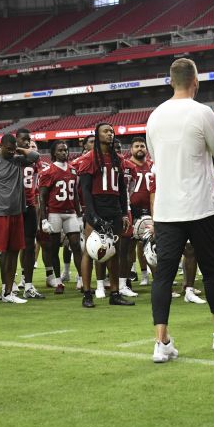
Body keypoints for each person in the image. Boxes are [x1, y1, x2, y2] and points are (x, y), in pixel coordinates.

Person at [145, 58, 214, 363]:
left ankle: (161, 342)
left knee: (163, 275)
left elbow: (154, 156)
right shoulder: (202, 112)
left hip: (166, 208)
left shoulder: (154, 116)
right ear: (196, 81)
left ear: (170, 80)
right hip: (200, 205)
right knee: (211, 269)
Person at [0, 132, 41, 307]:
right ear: (1, 146)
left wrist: (18, 149)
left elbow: (35, 156)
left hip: (16, 212)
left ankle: (8, 292)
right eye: (9, 149)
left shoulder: (17, 159)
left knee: (12, 252)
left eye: (13, 150)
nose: (12, 153)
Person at [75, 123, 134, 307]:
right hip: (96, 207)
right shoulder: (89, 158)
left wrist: (124, 213)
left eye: (111, 131)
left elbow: (123, 190)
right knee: (89, 251)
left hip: (114, 208)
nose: (110, 134)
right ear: (97, 134)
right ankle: (87, 294)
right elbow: (85, 190)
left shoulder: (119, 159)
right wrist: (92, 215)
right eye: (105, 131)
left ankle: (114, 293)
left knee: (113, 251)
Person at [37, 141, 81, 294]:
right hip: (54, 213)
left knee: (76, 245)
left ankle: (82, 279)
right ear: (54, 153)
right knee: (53, 247)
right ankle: (58, 281)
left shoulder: (73, 170)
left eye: (66, 150)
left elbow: (75, 195)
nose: (64, 153)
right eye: (61, 150)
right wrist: (43, 219)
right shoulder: (48, 171)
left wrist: (79, 215)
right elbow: (42, 197)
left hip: (70, 213)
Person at [14, 128, 47, 299]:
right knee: (10, 246)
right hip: (11, 206)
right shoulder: (9, 156)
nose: (27, 143)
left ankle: (28, 285)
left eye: (30, 141)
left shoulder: (34, 159)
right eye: (24, 139)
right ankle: (10, 285)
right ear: (16, 140)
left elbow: (36, 163)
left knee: (30, 245)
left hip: (29, 205)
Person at [122, 137, 155, 292]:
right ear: (131, 149)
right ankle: (127, 282)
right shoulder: (126, 166)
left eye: (142, 146)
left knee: (153, 246)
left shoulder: (152, 166)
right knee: (128, 246)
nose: (140, 148)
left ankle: (159, 282)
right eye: (137, 146)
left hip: (150, 209)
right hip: (131, 209)